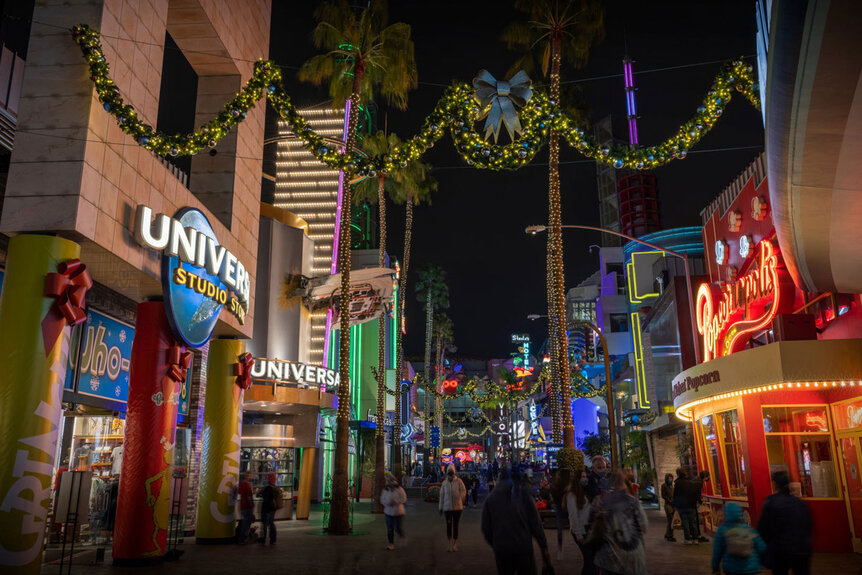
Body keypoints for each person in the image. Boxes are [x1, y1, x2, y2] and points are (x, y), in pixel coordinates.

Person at [481, 468, 551, 575]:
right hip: (523, 545)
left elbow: (486, 527)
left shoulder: (491, 499)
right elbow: (536, 524)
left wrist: (496, 542)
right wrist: (543, 546)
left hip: (502, 548)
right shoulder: (523, 495)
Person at [593, 470, 648, 575]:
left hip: (607, 556)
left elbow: (591, 523)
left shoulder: (599, 501)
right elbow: (644, 526)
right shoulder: (633, 502)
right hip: (631, 555)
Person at [757, 470, 812, 575]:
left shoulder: (771, 502)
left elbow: (763, 527)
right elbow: (808, 524)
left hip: (781, 550)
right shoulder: (800, 503)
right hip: (802, 549)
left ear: (775, 484)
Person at [711, 502, 766, 575]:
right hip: (750, 568)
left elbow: (717, 551)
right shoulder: (748, 529)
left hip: (731, 569)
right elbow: (762, 547)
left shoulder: (722, 530)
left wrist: (715, 568)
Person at [566, 468, 594, 575]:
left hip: (587, 529)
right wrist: (579, 534)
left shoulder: (585, 492)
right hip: (580, 530)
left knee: (589, 560)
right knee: (589, 559)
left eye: (586, 476)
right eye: (582, 477)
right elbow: (573, 516)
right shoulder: (572, 495)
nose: (585, 479)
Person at [439, 464, 466, 552]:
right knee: (449, 526)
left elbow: (463, 491)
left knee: (455, 526)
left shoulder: (459, 481)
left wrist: (461, 498)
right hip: (447, 508)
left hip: (457, 507)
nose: (450, 474)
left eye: (452, 472)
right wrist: (440, 507)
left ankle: (455, 544)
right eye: (449, 472)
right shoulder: (444, 483)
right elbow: (442, 496)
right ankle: (449, 544)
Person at [380, 471, 407, 550]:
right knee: (389, 528)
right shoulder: (385, 490)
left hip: (398, 512)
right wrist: (388, 503)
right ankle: (391, 544)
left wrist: (395, 502)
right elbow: (382, 500)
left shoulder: (400, 490)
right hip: (388, 512)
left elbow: (404, 499)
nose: (391, 487)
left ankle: (401, 536)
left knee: (397, 528)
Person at [673, 467, 700, 545]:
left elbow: (675, 495)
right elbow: (695, 493)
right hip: (691, 505)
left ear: (678, 474)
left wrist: (675, 504)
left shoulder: (677, 483)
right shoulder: (691, 482)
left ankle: (688, 539)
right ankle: (695, 538)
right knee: (693, 522)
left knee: (685, 523)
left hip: (682, 506)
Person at [257, 472, 278, 545]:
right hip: (273, 508)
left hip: (266, 508)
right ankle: (273, 539)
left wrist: (259, 492)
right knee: (271, 523)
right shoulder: (275, 487)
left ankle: (263, 539)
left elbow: (261, 496)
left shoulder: (267, 488)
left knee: (264, 524)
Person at [236, 472, 255, 544]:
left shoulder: (242, 484)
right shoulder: (248, 484)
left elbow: (240, 492)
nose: (252, 476)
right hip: (247, 506)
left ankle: (241, 538)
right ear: (248, 476)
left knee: (244, 522)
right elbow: (249, 496)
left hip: (242, 505)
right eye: (251, 475)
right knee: (247, 524)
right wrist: (251, 505)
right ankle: (244, 539)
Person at [660, 473, 677, 542]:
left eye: (671, 478)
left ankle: (668, 534)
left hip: (673, 505)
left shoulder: (672, 486)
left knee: (672, 520)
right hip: (668, 505)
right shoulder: (664, 486)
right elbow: (663, 495)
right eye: (669, 478)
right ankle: (670, 535)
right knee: (670, 520)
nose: (670, 480)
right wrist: (670, 500)